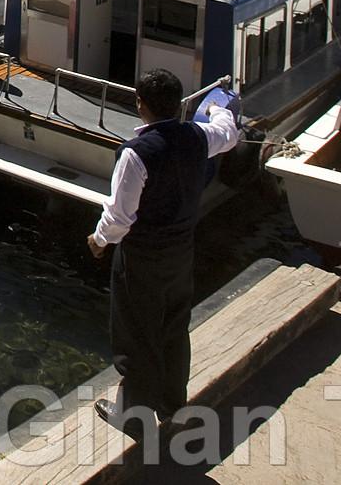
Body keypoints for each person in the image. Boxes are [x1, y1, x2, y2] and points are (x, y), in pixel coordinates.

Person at [87, 70, 241, 437]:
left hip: (142, 258)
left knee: (136, 333)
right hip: (181, 252)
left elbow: (120, 217)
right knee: (173, 325)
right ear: (177, 103)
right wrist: (222, 102)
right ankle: (171, 403)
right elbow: (228, 132)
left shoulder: (135, 153)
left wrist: (98, 241)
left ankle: (133, 415)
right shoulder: (198, 137)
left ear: (140, 104)